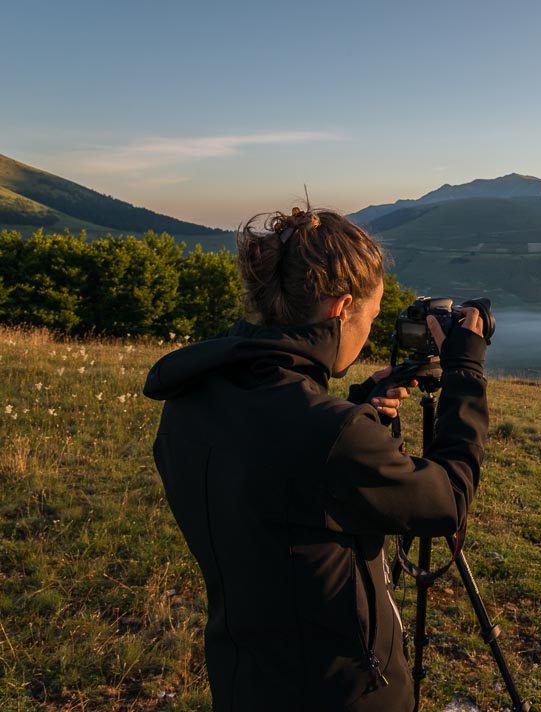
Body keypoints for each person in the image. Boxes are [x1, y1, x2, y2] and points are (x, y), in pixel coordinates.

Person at [143, 206, 488, 711]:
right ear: (341, 307)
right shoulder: (330, 435)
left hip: (245, 676)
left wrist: (352, 413)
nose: (369, 331)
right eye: (369, 317)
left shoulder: (191, 397)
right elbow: (447, 501)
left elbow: (274, 481)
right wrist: (466, 375)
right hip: (341, 691)